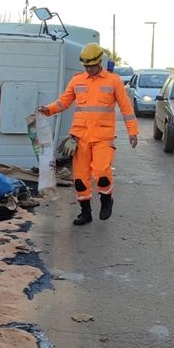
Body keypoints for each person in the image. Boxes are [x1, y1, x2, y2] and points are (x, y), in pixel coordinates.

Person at [38, 42, 138, 225]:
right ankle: (85, 213)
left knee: (101, 173)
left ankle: (106, 200)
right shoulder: (77, 80)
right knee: (80, 179)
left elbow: (126, 108)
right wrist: (48, 109)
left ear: (99, 62)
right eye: (85, 65)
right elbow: (64, 102)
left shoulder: (113, 80)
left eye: (91, 65)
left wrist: (133, 131)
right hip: (79, 137)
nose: (88, 69)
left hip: (103, 137)